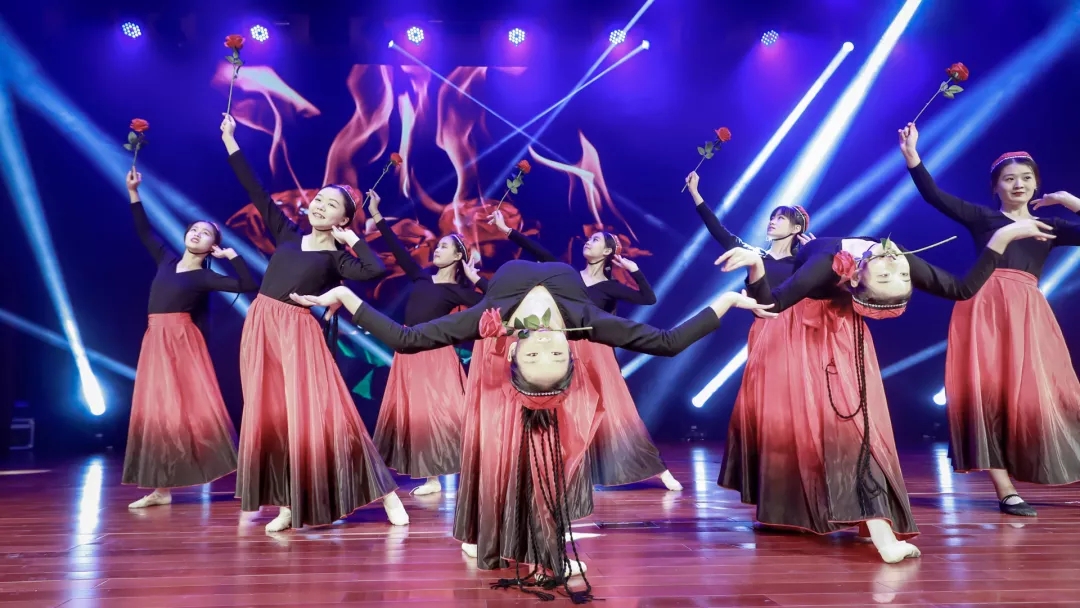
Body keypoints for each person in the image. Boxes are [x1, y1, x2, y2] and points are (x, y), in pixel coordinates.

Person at [289, 260, 773, 600]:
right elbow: (666, 343)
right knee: (533, 456)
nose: (544, 345)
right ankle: (520, 539)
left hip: (506, 299)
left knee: (519, 456)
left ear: (516, 355)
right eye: (553, 353)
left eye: (542, 354)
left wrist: (345, 296)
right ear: (567, 351)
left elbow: (407, 339)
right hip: (551, 285)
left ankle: (515, 537)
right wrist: (728, 300)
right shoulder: (583, 318)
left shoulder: (491, 319)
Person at [715, 219, 1053, 563]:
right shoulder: (864, 258)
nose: (897, 270)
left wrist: (1001, 238)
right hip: (801, 335)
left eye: (899, 276)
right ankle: (798, 515)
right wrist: (1002, 237)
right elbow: (962, 288)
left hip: (824, 336)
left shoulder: (854, 261)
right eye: (897, 276)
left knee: (852, 433)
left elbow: (961, 289)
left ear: (856, 279)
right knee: (804, 431)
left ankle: (882, 537)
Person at [219, 114, 407, 532]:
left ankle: (385, 491)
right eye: (319, 199)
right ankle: (289, 502)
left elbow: (374, 270)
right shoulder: (287, 234)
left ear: (343, 219)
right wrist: (231, 140)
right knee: (272, 416)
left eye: (331, 204)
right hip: (261, 326)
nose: (319, 205)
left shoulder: (337, 258)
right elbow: (254, 188)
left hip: (298, 332)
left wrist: (353, 240)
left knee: (326, 413)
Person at [900, 122, 1080, 516]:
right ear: (996, 187)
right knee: (989, 396)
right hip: (984, 308)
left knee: (1053, 393)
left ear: (1037, 184)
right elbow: (935, 196)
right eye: (1009, 179)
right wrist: (913, 156)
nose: (1018, 184)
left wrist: (1073, 203)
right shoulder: (984, 219)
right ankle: (1005, 490)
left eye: (1026, 178)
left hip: (1028, 311)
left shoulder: (1050, 226)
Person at [487, 210, 678, 491]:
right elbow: (540, 252)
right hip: (565, 349)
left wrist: (634, 270)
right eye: (589, 239)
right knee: (566, 409)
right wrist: (507, 230)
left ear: (608, 252)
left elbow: (648, 299)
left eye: (596, 240)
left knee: (614, 411)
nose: (588, 241)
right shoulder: (568, 277)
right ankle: (564, 470)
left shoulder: (610, 286)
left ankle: (657, 469)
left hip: (598, 351)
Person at [122, 169, 258, 508]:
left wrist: (233, 257)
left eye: (206, 233)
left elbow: (247, 285)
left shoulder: (204, 277)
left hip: (182, 340)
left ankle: (246, 475)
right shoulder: (166, 260)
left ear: (213, 246)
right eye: (194, 229)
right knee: (158, 410)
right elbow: (144, 230)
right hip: (155, 338)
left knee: (192, 408)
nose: (197, 234)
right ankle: (160, 489)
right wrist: (134, 192)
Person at [684, 170, 816, 505]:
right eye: (772, 216)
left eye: (781, 218)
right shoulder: (754, 253)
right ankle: (768, 482)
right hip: (765, 332)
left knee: (796, 405)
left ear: (796, 228)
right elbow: (719, 231)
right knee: (765, 407)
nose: (773, 221)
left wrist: (816, 253)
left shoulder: (804, 262)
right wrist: (696, 195)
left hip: (797, 334)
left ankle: (801, 479)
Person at [366, 192, 487, 496]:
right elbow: (397, 248)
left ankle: (479, 463)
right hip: (409, 350)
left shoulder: (457, 290)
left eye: (444, 246)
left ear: (458, 256)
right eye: (438, 245)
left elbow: (492, 301)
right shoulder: (422, 278)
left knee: (445, 410)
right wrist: (377, 215)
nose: (437, 249)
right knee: (418, 414)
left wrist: (475, 278)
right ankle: (432, 478)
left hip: (435, 352)